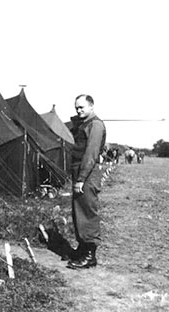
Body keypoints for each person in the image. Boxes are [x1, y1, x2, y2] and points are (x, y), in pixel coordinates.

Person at [67, 94, 106, 269]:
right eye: (76, 107)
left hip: (87, 173)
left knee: (88, 212)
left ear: (91, 106)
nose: (78, 110)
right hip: (80, 171)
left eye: (82, 107)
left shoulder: (95, 125)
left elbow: (90, 155)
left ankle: (90, 255)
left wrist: (81, 179)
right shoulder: (83, 124)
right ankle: (82, 249)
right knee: (78, 211)